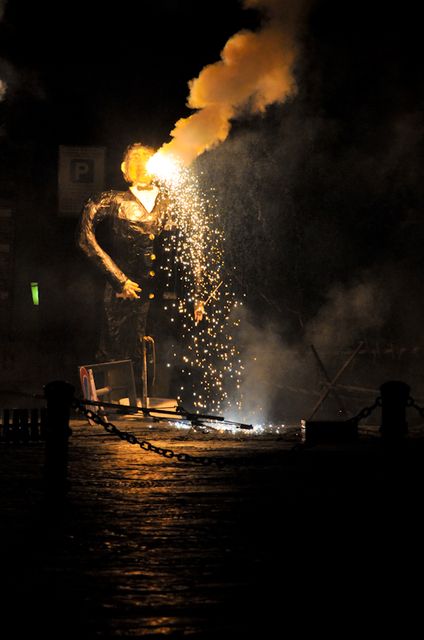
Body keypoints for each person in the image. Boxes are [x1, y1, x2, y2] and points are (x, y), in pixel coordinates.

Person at [77, 142, 204, 397]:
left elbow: (194, 245)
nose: (142, 164)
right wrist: (118, 279)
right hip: (123, 296)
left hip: (162, 298)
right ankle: (118, 403)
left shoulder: (173, 203)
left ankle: (159, 405)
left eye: (147, 158)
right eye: (135, 159)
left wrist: (197, 294)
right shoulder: (111, 200)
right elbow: (85, 238)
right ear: (125, 168)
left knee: (161, 353)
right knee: (120, 354)